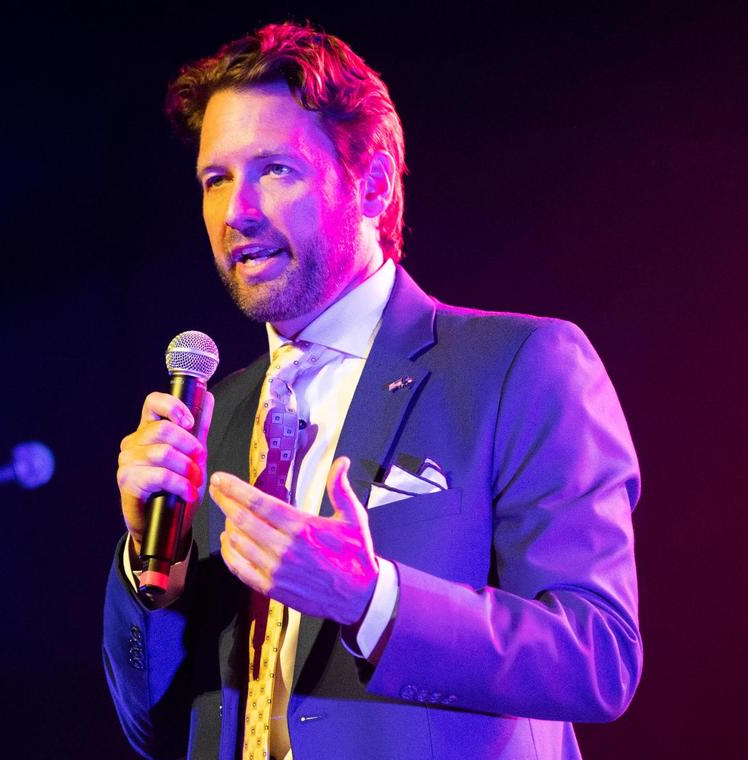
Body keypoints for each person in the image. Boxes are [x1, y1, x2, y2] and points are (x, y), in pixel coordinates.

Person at [103, 22, 641, 760]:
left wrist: (372, 600)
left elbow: (596, 658)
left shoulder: (519, 365)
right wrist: (148, 564)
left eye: (275, 170)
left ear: (373, 183)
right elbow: (152, 727)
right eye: (215, 178)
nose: (236, 212)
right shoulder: (214, 417)